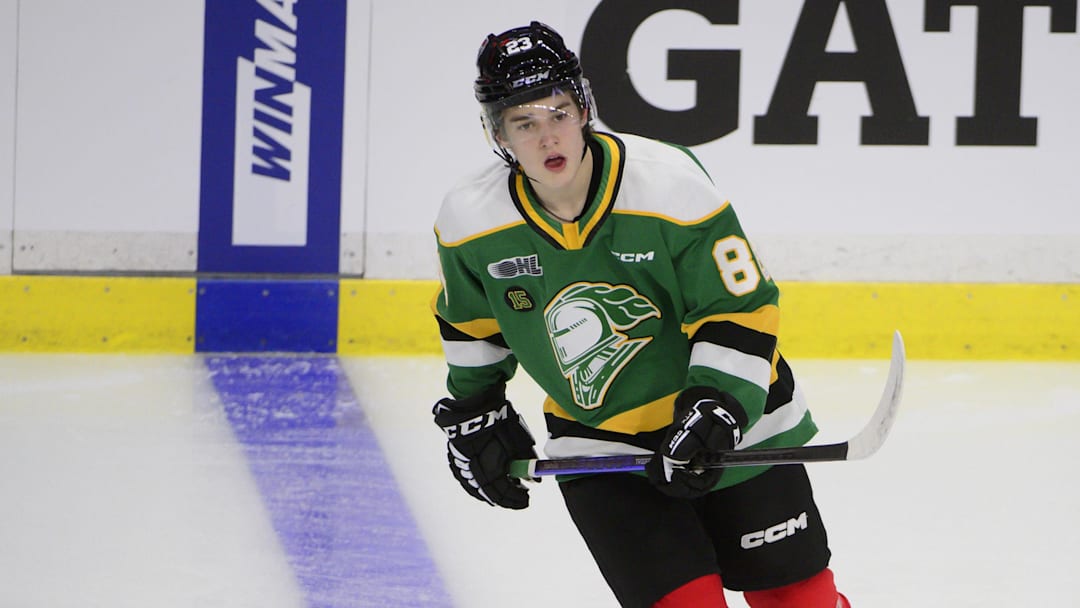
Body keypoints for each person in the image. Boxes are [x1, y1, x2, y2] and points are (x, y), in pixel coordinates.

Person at [430, 21, 851, 608]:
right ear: (495, 133)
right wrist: (477, 412)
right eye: (524, 123)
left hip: (739, 432)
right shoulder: (470, 219)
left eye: (557, 112)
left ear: (583, 107)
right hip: (604, 452)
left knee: (797, 602)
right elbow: (473, 325)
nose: (548, 137)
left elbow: (739, 305)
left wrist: (718, 408)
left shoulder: (668, 186)